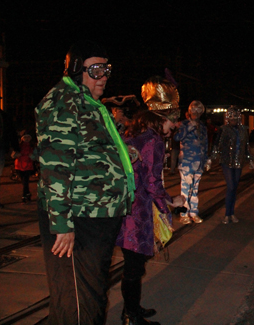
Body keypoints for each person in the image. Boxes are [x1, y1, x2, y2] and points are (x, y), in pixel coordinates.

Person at [36, 40, 135, 324]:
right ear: (77, 70)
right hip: (79, 218)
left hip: (96, 215)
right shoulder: (63, 102)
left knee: (89, 295)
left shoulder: (88, 103)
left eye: (107, 69)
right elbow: (55, 166)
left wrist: (125, 154)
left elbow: (89, 148)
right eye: (96, 69)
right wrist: (62, 225)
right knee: (79, 300)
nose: (103, 75)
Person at [116, 108, 184, 324]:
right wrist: (172, 202)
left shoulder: (132, 136)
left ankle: (131, 308)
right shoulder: (153, 141)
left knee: (132, 263)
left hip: (123, 208)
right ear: (160, 119)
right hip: (138, 213)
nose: (174, 126)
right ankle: (131, 316)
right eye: (172, 121)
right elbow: (153, 183)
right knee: (134, 267)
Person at [211, 106, 254, 224]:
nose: (233, 120)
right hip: (226, 161)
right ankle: (226, 214)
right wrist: (211, 158)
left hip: (239, 162)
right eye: (231, 118)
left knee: (234, 187)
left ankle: (232, 213)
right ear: (227, 118)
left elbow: (246, 145)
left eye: (235, 117)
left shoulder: (243, 130)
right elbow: (216, 143)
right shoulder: (223, 129)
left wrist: (250, 159)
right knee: (230, 186)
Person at [174, 100, 210, 224]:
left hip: (198, 163)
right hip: (186, 163)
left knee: (195, 189)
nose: (196, 113)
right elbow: (177, 137)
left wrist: (206, 159)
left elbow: (205, 145)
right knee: (185, 189)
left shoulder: (203, 127)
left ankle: (194, 212)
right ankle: (183, 213)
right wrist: (190, 126)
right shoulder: (183, 124)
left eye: (199, 110)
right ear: (190, 111)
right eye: (194, 110)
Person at [14, 133, 35, 203]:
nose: (26, 139)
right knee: (24, 182)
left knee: (25, 181)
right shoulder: (18, 146)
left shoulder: (32, 147)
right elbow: (13, 155)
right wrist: (16, 154)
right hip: (19, 166)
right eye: (25, 137)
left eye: (28, 137)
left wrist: (32, 156)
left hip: (28, 166)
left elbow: (35, 156)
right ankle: (28, 193)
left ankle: (24, 195)